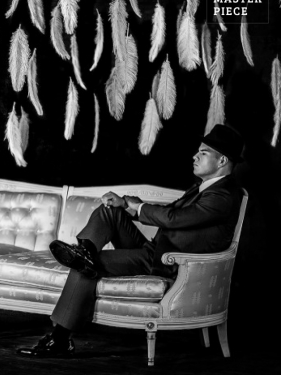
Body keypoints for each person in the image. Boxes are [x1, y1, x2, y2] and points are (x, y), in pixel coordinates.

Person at [17, 124, 245, 358]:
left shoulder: (223, 194)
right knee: (111, 213)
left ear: (222, 161)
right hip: (156, 250)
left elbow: (175, 218)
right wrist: (128, 206)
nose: (195, 156)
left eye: (203, 153)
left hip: (170, 262)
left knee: (85, 266)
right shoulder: (206, 189)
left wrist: (135, 206)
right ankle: (84, 249)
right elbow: (173, 215)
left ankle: (60, 339)